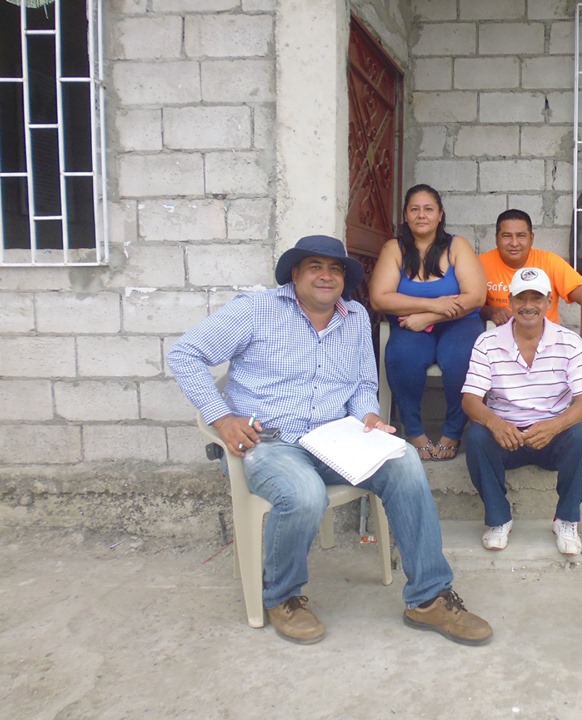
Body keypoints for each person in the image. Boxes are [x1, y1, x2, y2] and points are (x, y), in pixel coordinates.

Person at [167, 235, 492, 646]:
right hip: (269, 441)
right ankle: (282, 597)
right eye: (315, 267)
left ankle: (429, 598)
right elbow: (185, 355)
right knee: (305, 494)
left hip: (333, 440)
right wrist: (223, 418)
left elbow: (361, 384)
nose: (326, 276)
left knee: (405, 462)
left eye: (335, 269)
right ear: (295, 274)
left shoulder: (354, 317)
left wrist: (368, 415)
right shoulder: (255, 310)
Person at [462, 267, 582, 556]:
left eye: (536, 298)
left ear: (549, 302)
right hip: (506, 436)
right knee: (476, 437)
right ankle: (499, 519)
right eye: (521, 298)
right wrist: (495, 423)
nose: (528, 306)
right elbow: (471, 400)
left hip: (550, 435)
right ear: (510, 302)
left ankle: (566, 520)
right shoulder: (487, 342)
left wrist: (555, 426)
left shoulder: (570, 342)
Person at [370, 184, 486, 461]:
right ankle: (414, 431)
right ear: (405, 215)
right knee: (402, 357)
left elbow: (476, 296)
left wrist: (430, 317)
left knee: (462, 359)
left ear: (440, 214)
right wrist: (433, 304)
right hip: (410, 325)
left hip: (458, 322)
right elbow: (379, 298)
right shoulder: (394, 249)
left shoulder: (457, 246)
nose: (421, 215)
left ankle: (453, 432)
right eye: (414, 209)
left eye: (428, 209)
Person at [479, 209, 582, 350]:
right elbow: (468, 304)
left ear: (531, 238)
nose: (514, 243)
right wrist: (490, 311)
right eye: (506, 236)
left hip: (548, 347)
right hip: (502, 347)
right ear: (496, 238)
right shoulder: (480, 265)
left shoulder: (550, 262)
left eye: (521, 236)